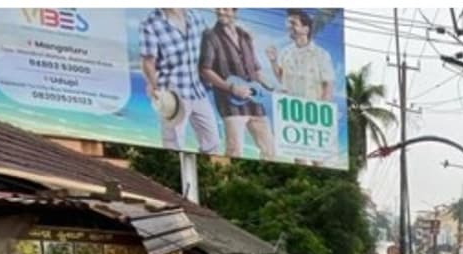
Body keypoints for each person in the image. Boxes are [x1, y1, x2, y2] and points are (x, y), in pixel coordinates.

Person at [140, 8, 220, 154]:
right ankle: (174, 173)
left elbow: (211, 39)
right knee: (174, 144)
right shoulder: (151, 23)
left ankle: (202, 170)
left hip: (197, 89)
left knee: (213, 141)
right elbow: (148, 61)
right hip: (172, 92)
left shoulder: (195, 15)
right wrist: (154, 87)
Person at [199, 8, 275, 160]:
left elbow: (256, 69)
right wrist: (231, 88)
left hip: (254, 102)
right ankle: (225, 181)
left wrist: (274, 87)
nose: (221, 12)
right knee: (235, 152)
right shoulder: (210, 35)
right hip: (230, 102)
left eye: (225, 8)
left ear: (235, 12)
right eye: (218, 8)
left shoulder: (245, 35)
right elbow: (205, 70)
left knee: (270, 150)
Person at [266, 9, 336, 101]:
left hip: (312, 108)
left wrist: (323, 108)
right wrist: (273, 61)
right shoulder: (285, 52)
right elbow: (282, 80)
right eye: (287, 23)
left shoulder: (321, 55)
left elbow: (328, 86)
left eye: (293, 23)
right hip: (290, 108)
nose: (288, 26)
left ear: (306, 29)